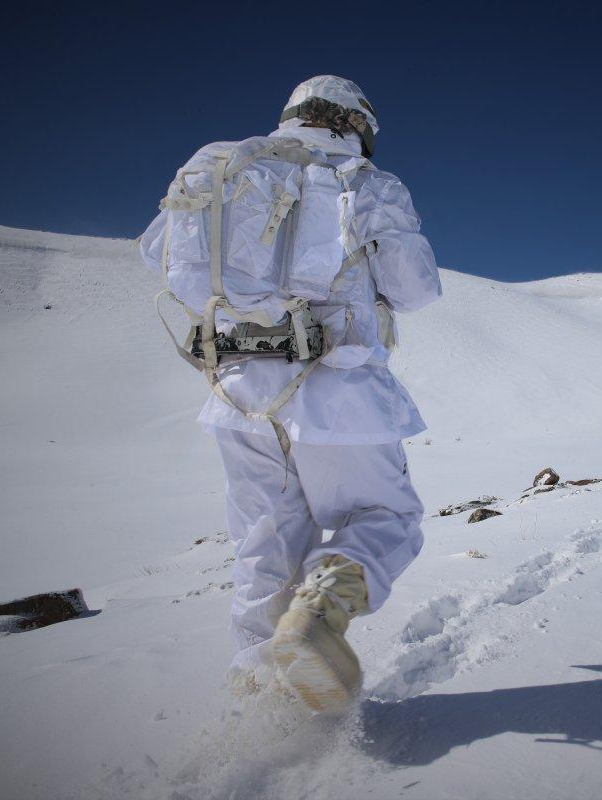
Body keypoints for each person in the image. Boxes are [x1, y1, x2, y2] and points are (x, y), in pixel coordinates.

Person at [138, 76, 441, 712]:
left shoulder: (221, 163)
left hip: (238, 391)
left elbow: (156, 253)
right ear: (358, 125)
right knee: (388, 519)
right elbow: (414, 289)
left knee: (264, 545)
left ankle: (258, 695)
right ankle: (322, 611)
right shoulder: (367, 182)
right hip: (337, 388)